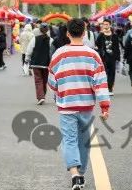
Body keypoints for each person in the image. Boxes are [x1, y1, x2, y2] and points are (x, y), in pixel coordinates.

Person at [47, 18, 110, 190]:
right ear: (84, 33)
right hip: (86, 106)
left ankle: (74, 174)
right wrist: (104, 106)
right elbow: (101, 82)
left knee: (69, 140)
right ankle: (81, 174)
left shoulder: (59, 54)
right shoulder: (93, 55)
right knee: (83, 140)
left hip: (66, 105)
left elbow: (52, 81)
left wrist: (58, 92)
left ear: (67, 33)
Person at [95, 20, 122, 94]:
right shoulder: (101, 35)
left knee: (112, 73)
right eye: (104, 24)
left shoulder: (114, 35)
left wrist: (118, 58)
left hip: (112, 57)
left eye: (107, 24)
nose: (105, 26)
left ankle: (110, 88)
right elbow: (97, 44)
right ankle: (105, 87)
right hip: (104, 57)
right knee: (104, 72)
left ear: (110, 25)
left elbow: (117, 47)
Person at [29, 23, 53, 104]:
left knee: (38, 80)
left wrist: (27, 59)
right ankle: (42, 95)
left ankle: (41, 97)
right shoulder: (50, 40)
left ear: (39, 30)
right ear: (48, 30)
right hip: (46, 63)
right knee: (44, 80)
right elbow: (52, 52)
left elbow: (29, 50)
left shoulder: (35, 39)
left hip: (36, 62)